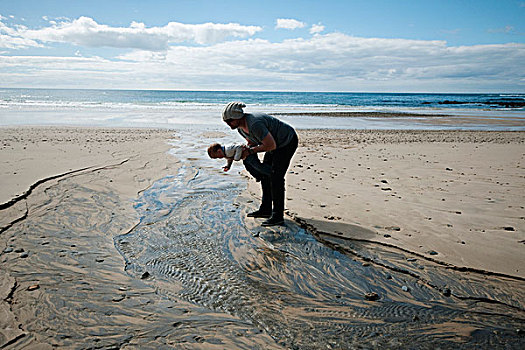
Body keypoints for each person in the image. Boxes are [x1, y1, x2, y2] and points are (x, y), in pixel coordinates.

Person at [221, 101, 298, 226]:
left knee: (276, 177)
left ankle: (278, 216)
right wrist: (247, 149)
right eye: (226, 122)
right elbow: (252, 141)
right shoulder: (240, 128)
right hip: (274, 144)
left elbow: (270, 145)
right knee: (265, 175)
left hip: (286, 142)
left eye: (229, 121)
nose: (228, 124)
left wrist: (250, 151)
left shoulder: (254, 123)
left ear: (237, 117)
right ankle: (266, 209)